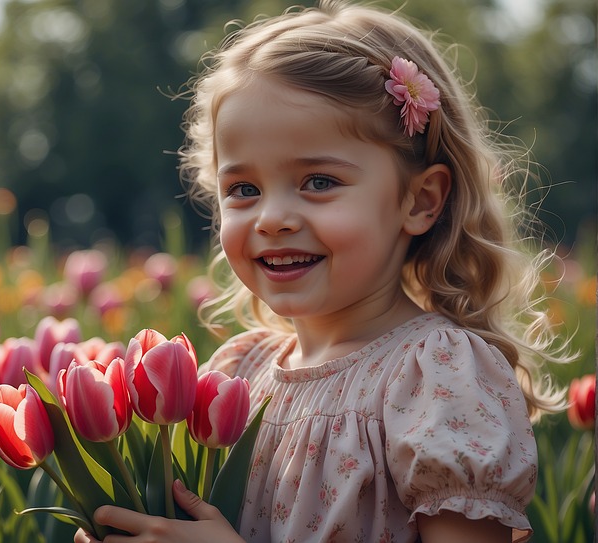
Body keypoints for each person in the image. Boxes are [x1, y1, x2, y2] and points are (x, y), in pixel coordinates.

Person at [75, 1, 571, 541]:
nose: (273, 218)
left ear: (420, 200)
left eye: (318, 181)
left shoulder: (437, 377)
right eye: (244, 190)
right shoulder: (236, 374)